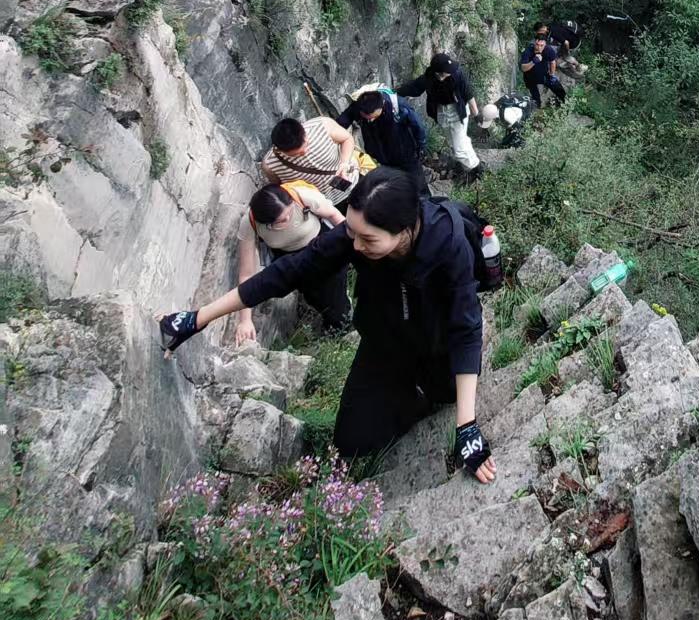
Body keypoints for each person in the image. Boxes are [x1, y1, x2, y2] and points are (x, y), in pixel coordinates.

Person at [159, 167, 496, 481]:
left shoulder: (448, 246)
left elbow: (465, 329)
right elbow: (288, 272)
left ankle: (420, 392)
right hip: (385, 340)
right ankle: (406, 396)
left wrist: (466, 427)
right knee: (351, 442)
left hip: (437, 341)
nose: (356, 245)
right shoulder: (355, 236)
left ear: (404, 229)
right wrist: (198, 319)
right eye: (351, 231)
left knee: (447, 396)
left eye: (368, 239)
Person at [233, 182, 351, 345]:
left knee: (335, 288)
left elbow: (334, 216)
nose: (289, 218)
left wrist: (356, 241)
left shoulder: (301, 197)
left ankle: (341, 327)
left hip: (322, 245)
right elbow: (246, 274)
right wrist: (245, 320)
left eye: (290, 212)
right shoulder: (250, 223)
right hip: (292, 259)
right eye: (282, 220)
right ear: (267, 223)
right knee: (314, 296)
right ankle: (336, 317)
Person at [397, 52, 482, 176]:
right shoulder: (429, 78)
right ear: (439, 74)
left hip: (458, 111)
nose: (451, 71)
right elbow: (413, 87)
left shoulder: (457, 74)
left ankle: (476, 169)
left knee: (459, 149)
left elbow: (468, 94)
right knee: (454, 142)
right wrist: (395, 92)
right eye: (448, 70)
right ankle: (465, 164)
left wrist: (476, 114)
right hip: (441, 112)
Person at [262, 114, 360, 207]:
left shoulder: (322, 126)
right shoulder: (270, 165)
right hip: (324, 203)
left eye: (306, 145)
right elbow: (284, 188)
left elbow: (347, 139)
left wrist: (344, 163)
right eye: (297, 154)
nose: (305, 152)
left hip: (352, 180)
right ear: (281, 151)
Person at [336, 84, 426, 174]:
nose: (370, 120)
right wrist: (335, 132)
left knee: (413, 177)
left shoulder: (399, 107)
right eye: (366, 118)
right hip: (379, 153)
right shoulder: (362, 104)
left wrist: (420, 147)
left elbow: (418, 127)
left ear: (381, 107)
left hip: (404, 152)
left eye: (372, 117)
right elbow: (345, 118)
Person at [520, 26, 566, 110]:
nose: (539, 47)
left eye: (542, 45)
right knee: (535, 98)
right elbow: (523, 68)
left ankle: (565, 102)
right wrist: (533, 61)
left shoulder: (548, 49)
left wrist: (552, 74)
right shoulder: (528, 51)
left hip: (544, 75)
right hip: (530, 78)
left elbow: (553, 62)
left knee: (558, 88)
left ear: (545, 44)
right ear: (534, 42)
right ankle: (537, 108)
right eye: (537, 45)